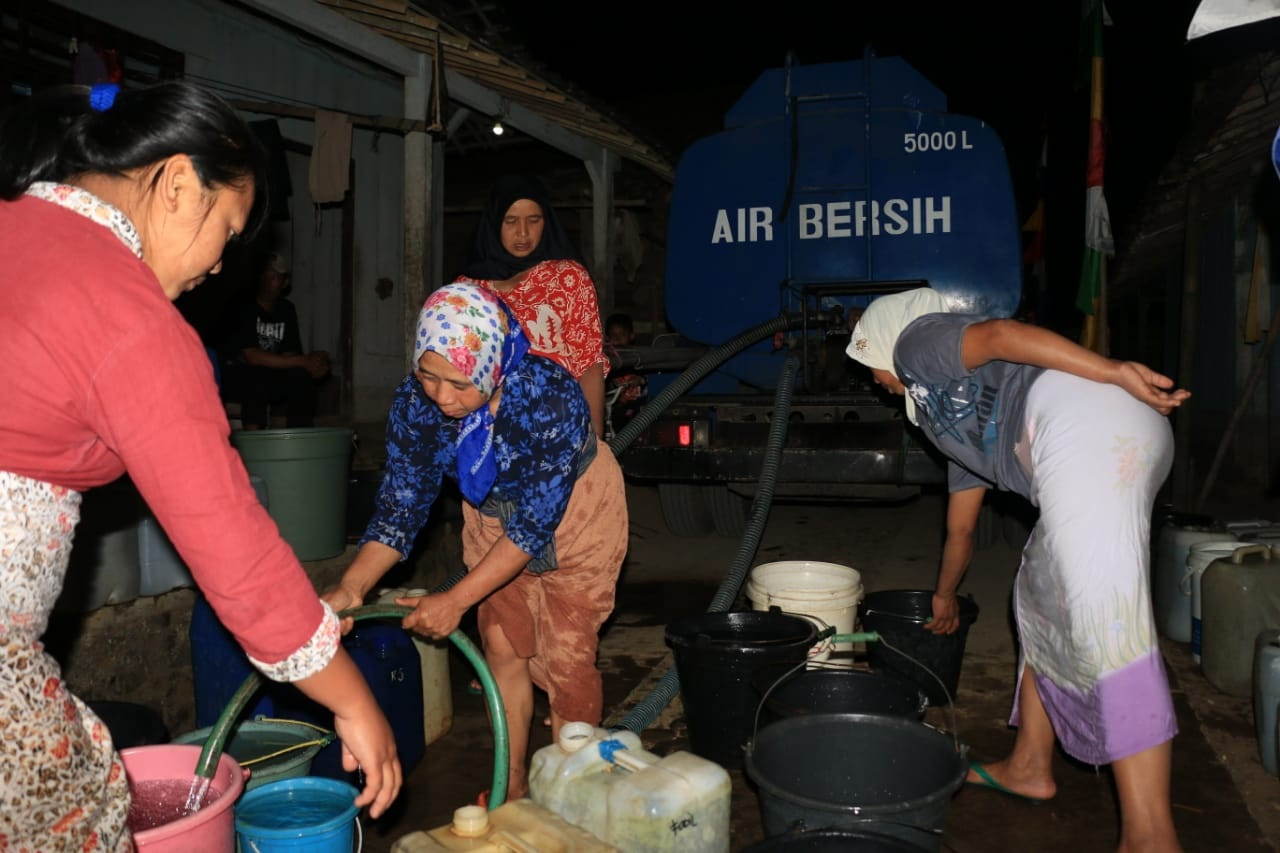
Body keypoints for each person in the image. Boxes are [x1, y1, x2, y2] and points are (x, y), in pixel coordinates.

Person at [0, 80, 400, 849]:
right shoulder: (125, 310)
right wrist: (354, 701)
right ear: (179, 182)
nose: (221, 266)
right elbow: (240, 561)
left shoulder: (23, 227)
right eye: (230, 226)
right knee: (79, 805)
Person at [846, 288, 1190, 853]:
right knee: (1039, 596)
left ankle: (1151, 837)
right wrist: (944, 595)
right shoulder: (943, 425)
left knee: (1108, 620)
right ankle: (1030, 764)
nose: (872, 380)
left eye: (868, 364)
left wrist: (1115, 372)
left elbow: (1003, 337)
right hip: (1091, 438)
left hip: (1091, 421)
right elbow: (960, 529)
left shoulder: (915, 341)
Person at [322, 283, 628, 802]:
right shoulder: (416, 406)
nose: (441, 396)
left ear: (493, 367)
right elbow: (401, 505)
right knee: (502, 646)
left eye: (460, 383)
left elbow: (533, 527)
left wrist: (455, 599)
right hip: (490, 518)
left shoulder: (547, 397)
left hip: (578, 515)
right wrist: (352, 587)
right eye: (428, 373)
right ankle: (509, 787)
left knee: (567, 660)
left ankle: (569, 801)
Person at [454, 173, 610, 437]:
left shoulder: (568, 277)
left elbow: (589, 362)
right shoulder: (469, 289)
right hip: (489, 431)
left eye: (534, 220)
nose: (523, 233)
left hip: (558, 426)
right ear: (494, 224)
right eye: (511, 221)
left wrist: (595, 438)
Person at [218, 250, 331, 429]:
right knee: (255, 377)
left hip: (271, 374)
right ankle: (252, 439)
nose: (268, 279)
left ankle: (299, 438)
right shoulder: (243, 306)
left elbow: (290, 354)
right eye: (265, 273)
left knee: (301, 378)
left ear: (285, 283)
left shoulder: (286, 309)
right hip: (239, 374)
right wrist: (303, 360)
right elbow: (252, 356)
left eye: (275, 276)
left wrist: (314, 363)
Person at [604, 312, 647, 434]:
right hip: (614, 413)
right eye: (613, 335)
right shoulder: (606, 362)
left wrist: (640, 380)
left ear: (631, 336)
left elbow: (647, 379)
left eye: (622, 335)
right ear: (607, 338)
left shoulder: (639, 359)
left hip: (637, 413)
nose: (617, 339)